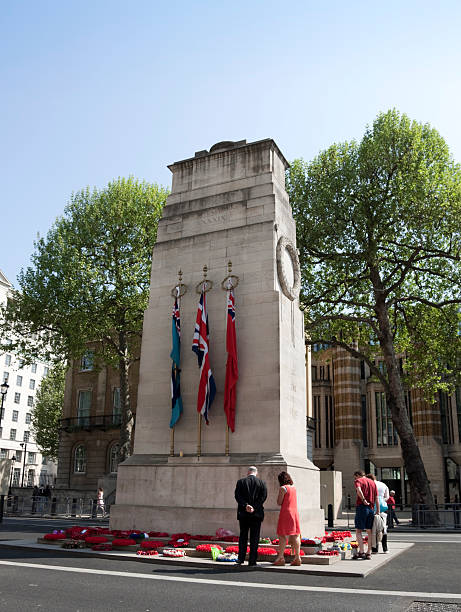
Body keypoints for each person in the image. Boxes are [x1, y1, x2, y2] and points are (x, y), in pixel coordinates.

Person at [234, 466, 267, 567]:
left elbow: (237, 496)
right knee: (255, 537)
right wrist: (254, 507)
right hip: (256, 514)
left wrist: (246, 506)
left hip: (243, 514)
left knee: (243, 536)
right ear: (256, 473)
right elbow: (263, 497)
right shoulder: (262, 483)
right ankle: (252, 560)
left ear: (248, 472)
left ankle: (241, 558)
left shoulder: (241, 482)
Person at [272, 471, 302, 566]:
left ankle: (281, 557)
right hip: (294, 513)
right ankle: (297, 557)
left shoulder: (283, 488)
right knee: (296, 534)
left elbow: (279, 502)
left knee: (282, 535)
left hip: (286, 513)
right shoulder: (294, 488)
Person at [353, 470, 377, 560]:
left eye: (355, 477)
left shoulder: (358, 481)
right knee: (369, 531)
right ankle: (369, 552)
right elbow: (376, 497)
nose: (355, 479)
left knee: (358, 530)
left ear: (357, 475)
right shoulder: (372, 482)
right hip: (371, 508)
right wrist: (376, 509)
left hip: (362, 507)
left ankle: (361, 552)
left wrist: (363, 499)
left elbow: (359, 490)